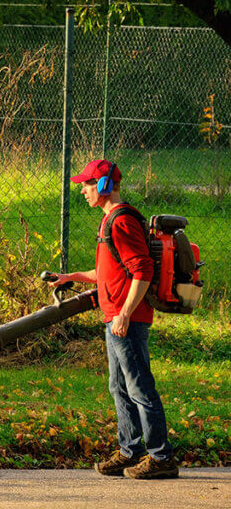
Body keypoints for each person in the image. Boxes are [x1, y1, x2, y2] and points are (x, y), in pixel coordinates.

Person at [50, 159, 177, 479]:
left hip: (127, 320)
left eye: (87, 185)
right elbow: (110, 271)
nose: (82, 191)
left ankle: (161, 457)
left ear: (104, 185)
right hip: (117, 317)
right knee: (119, 387)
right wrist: (73, 276)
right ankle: (130, 451)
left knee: (139, 388)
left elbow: (142, 270)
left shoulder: (120, 222)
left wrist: (124, 313)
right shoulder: (110, 221)